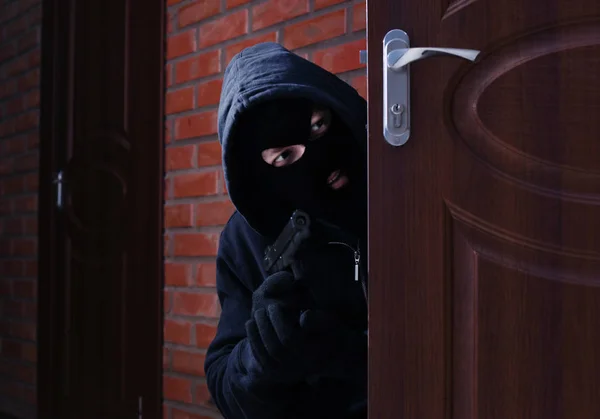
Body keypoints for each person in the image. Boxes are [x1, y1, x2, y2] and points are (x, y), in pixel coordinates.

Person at [204, 42, 368, 419]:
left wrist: (357, 356)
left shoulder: (406, 187)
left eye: (317, 127)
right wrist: (260, 358)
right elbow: (223, 384)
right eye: (284, 156)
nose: (317, 158)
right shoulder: (246, 240)